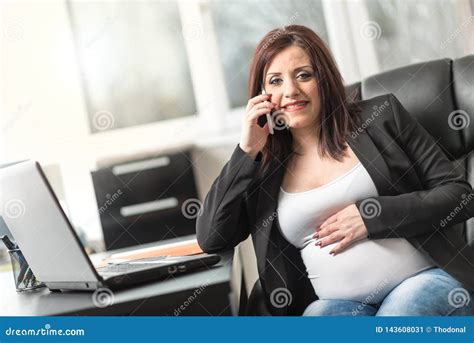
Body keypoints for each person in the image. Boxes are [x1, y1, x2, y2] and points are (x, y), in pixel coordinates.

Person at [196, 25, 474, 316]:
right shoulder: (262, 168)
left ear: (324, 79)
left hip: (422, 281)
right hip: (335, 306)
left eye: (304, 75)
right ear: (262, 95)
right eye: (275, 81)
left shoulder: (381, 118)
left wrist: (372, 215)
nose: (290, 91)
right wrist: (246, 150)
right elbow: (212, 237)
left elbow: (460, 195)